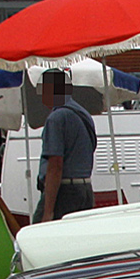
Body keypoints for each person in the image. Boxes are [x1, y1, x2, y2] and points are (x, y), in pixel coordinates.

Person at [36, 70, 97, 222]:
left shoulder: (56, 118)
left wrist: (48, 211)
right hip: (85, 188)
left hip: (65, 191)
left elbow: (55, 165)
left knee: (39, 237)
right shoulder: (83, 114)